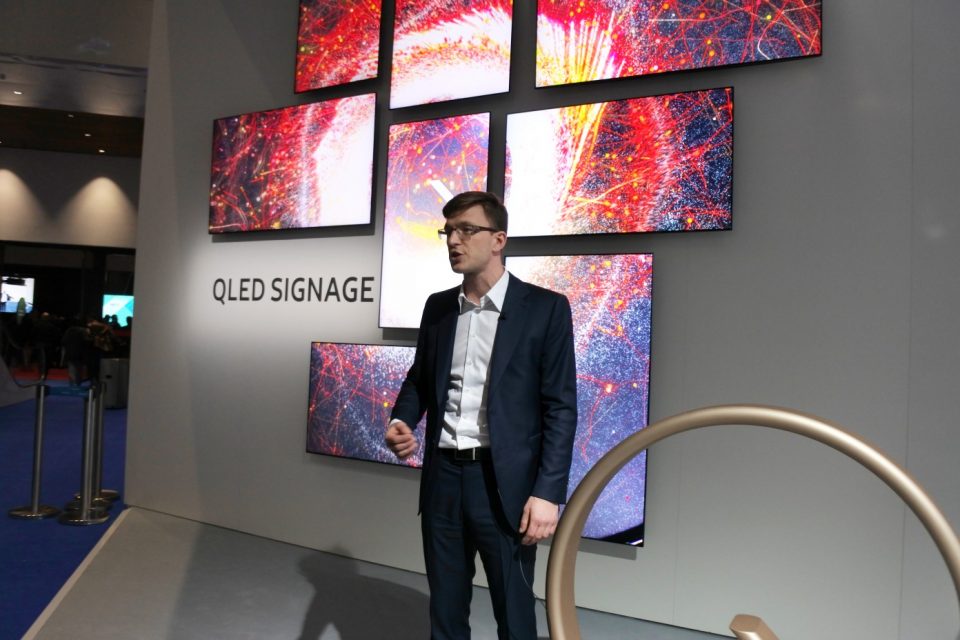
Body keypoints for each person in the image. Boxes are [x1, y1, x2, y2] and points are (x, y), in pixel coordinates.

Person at [385, 191, 578, 639]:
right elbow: (419, 379)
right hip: (443, 480)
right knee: (445, 611)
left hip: (504, 486)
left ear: (498, 240)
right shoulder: (438, 308)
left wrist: (547, 493)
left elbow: (560, 408)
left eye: (466, 230)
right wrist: (401, 420)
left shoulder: (545, 309)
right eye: (448, 231)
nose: (453, 240)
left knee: (515, 614)